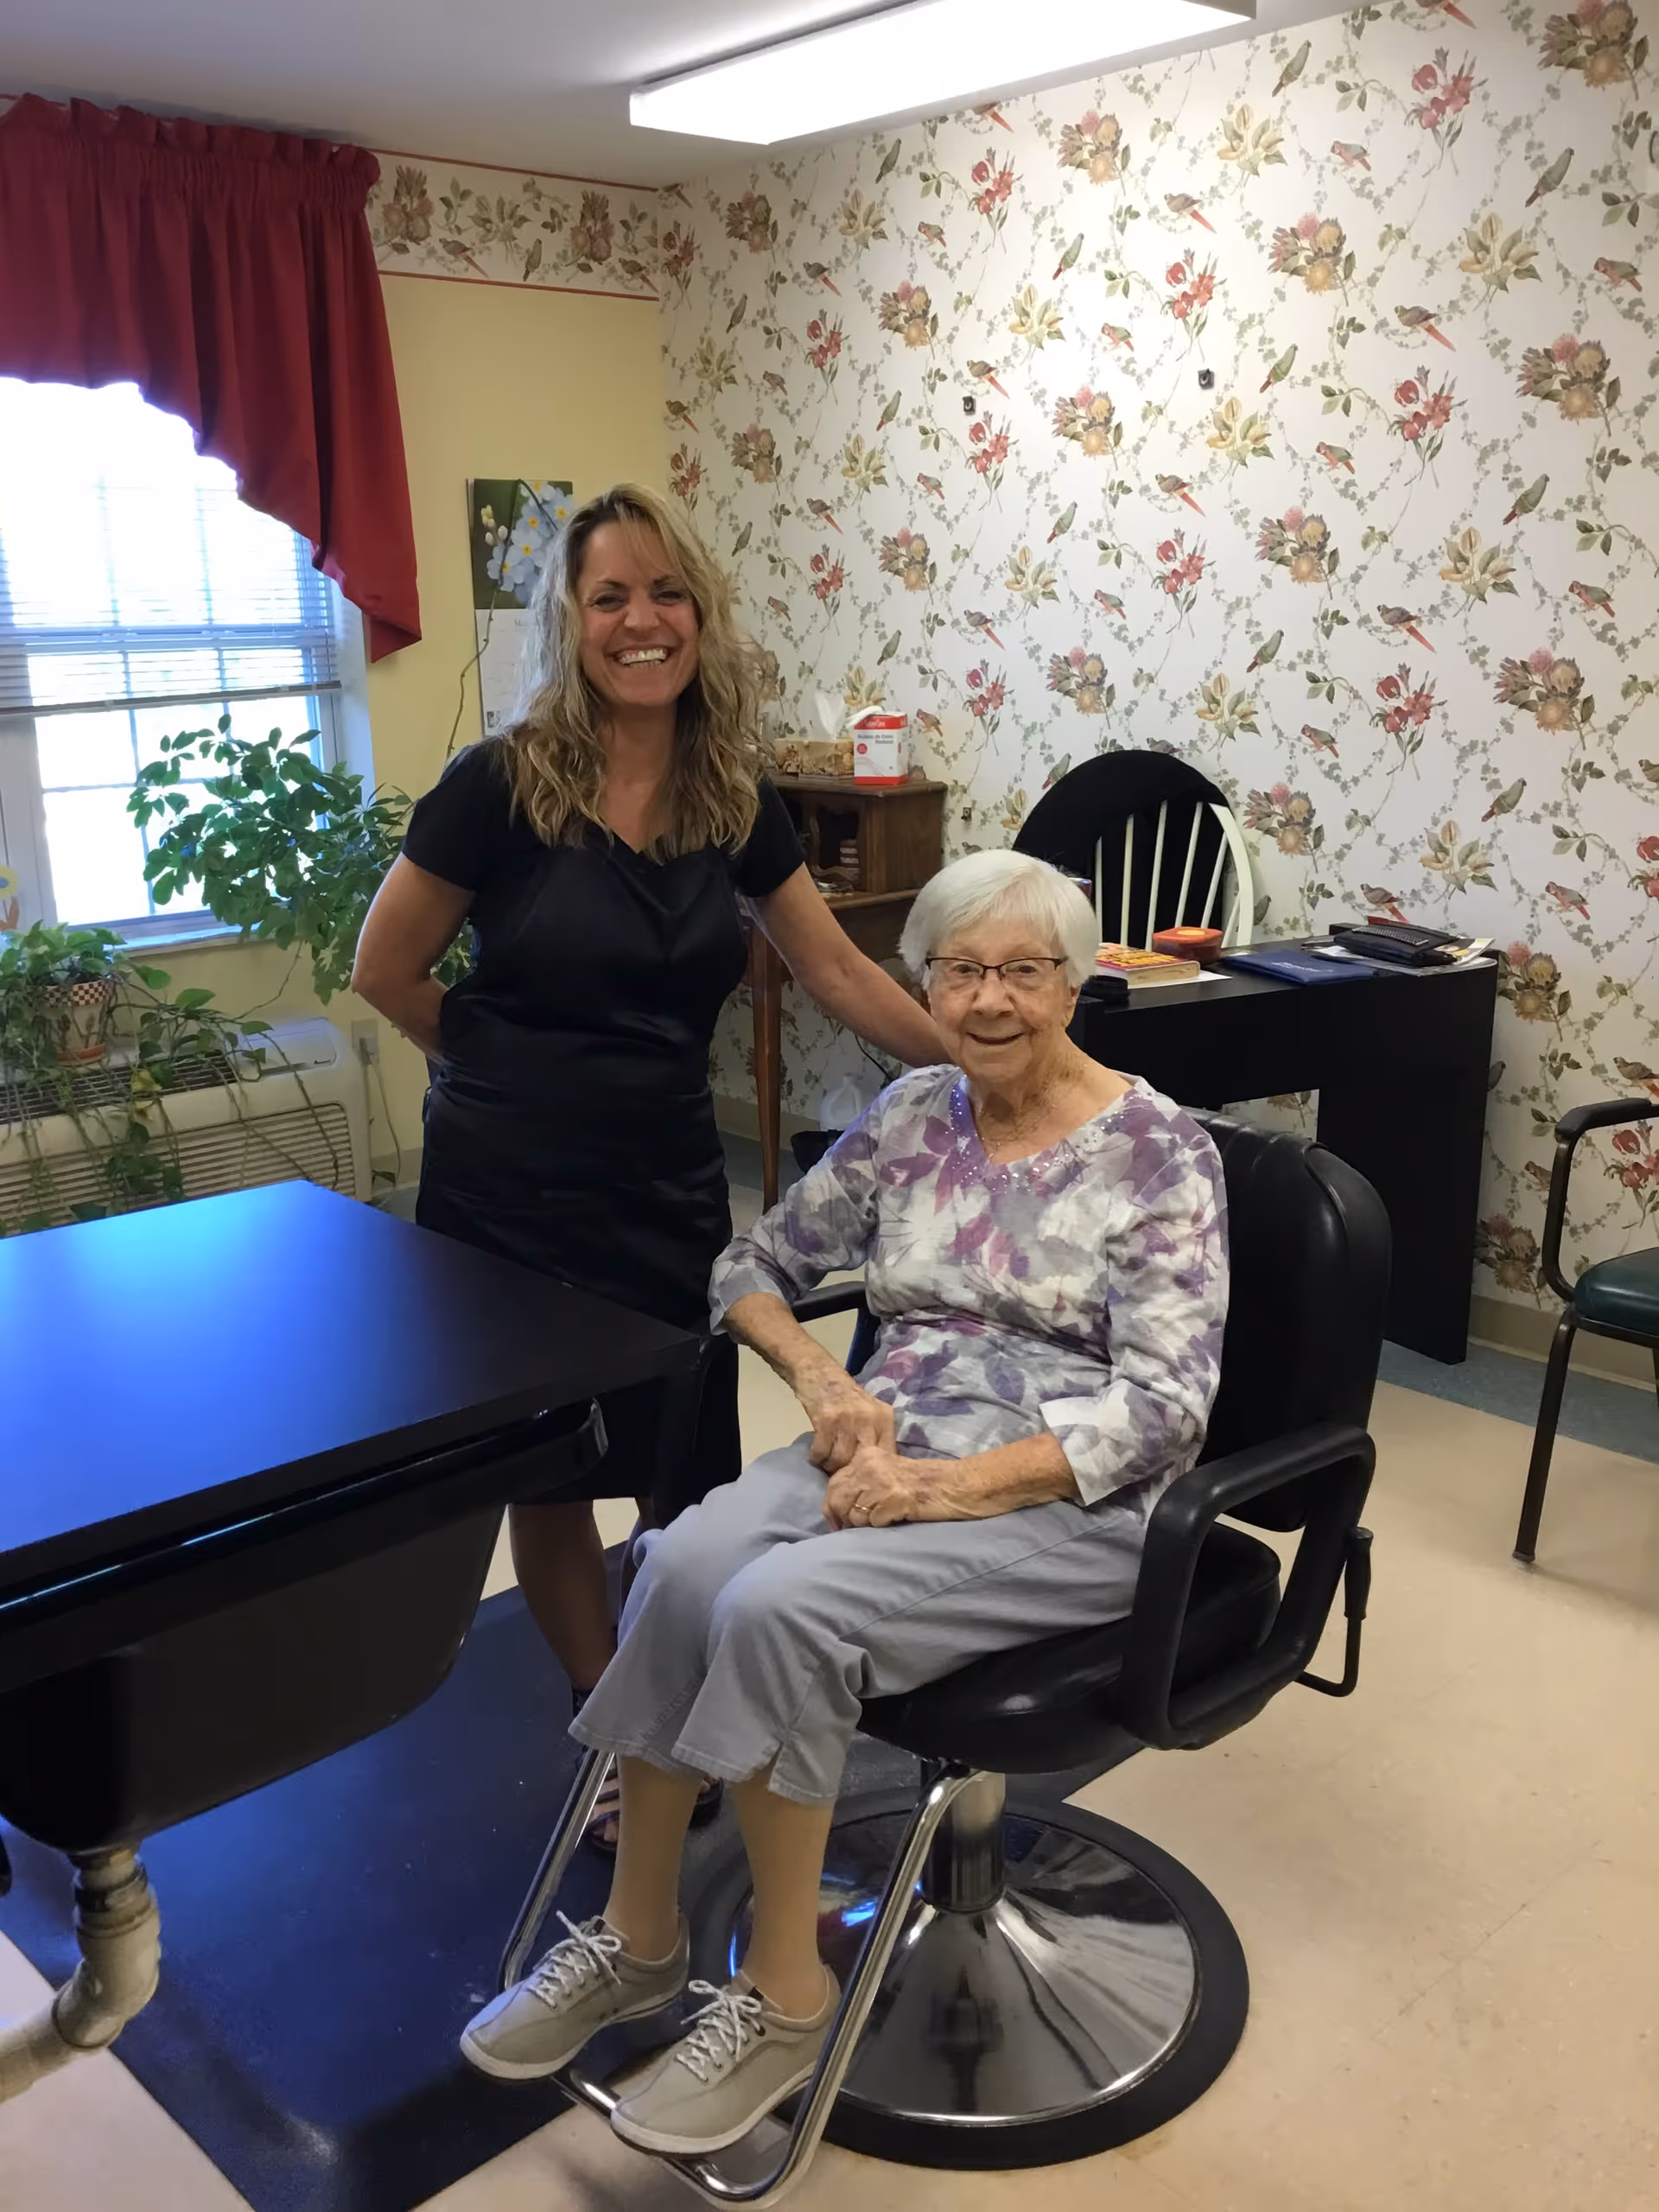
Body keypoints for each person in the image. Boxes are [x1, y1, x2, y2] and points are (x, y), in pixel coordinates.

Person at [459, 849, 1230, 2159]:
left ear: (1073, 984)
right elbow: (751, 1264)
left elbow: (1167, 1410)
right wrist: (825, 1380)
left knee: (780, 1610)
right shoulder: (915, 1113)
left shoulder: (1160, 1153)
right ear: (924, 986)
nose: (989, 1000)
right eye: (959, 971)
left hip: (1076, 1496)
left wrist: (944, 1487)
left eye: (1023, 971)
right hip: (888, 1442)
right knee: (681, 1563)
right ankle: (640, 1940)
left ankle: (787, 2000)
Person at [351, 486, 942, 1845]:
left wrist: (987, 1067)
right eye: (609, 596)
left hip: (665, 1180)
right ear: (571, 621)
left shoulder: (729, 797)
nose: (641, 621)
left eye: (666, 593)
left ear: (700, 616)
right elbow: (386, 970)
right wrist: (497, 1071)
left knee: (682, 1466)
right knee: (552, 1472)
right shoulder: (499, 786)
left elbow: (836, 968)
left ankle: (682, 1693)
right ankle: (611, 1721)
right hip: (508, 1197)